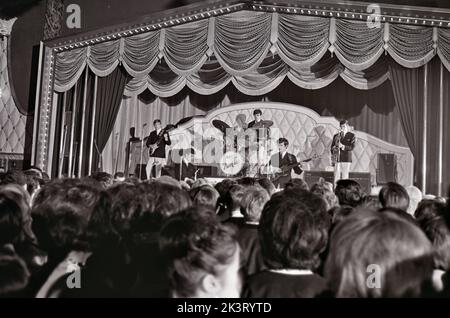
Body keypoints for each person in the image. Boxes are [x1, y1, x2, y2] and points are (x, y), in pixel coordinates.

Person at [331, 120, 355, 185]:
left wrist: (343, 146)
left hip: (346, 158)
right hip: (337, 157)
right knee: (336, 175)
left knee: (345, 175)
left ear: (347, 127)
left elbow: (352, 147)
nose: (342, 128)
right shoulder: (336, 136)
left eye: (344, 126)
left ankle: (344, 190)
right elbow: (332, 147)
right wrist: (333, 148)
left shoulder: (351, 135)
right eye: (341, 126)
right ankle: (336, 189)